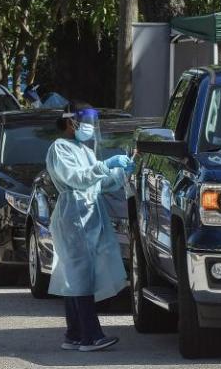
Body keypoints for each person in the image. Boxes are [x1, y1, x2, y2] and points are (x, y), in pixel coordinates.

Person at [45, 102, 133, 352]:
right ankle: (91, 336)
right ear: (70, 122)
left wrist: (119, 172)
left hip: (89, 214)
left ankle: (74, 334)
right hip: (73, 215)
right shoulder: (59, 148)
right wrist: (106, 165)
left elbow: (98, 183)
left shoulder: (83, 149)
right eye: (85, 122)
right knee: (80, 274)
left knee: (78, 274)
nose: (89, 128)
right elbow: (76, 178)